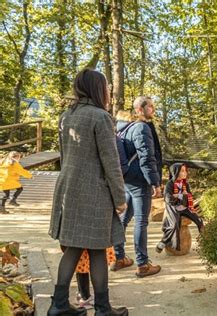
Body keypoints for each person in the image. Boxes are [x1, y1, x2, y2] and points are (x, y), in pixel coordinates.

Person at [48, 68, 128, 316]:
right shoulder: (100, 117)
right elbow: (111, 161)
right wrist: (120, 198)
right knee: (96, 250)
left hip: (67, 188)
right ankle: (103, 309)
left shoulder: (66, 116)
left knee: (72, 247)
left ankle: (58, 305)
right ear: (98, 89)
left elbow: (64, 155)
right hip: (94, 193)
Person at [111, 97, 162, 278]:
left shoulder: (121, 129)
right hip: (139, 180)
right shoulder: (141, 128)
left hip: (126, 178)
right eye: (151, 106)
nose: (153, 109)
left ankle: (119, 258)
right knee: (141, 220)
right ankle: (142, 264)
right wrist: (155, 182)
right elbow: (147, 157)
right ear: (140, 109)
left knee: (124, 219)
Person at [156, 163, 204, 253]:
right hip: (173, 207)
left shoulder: (185, 184)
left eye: (185, 170)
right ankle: (163, 242)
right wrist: (181, 195)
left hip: (184, 207)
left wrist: (179, 196)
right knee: (173, 225)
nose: (185, 173)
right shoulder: (169, 185)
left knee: (199, 220)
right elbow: (168, 198)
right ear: (175, 172)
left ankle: (205, 241)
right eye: (182, 171)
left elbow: (189, 195)